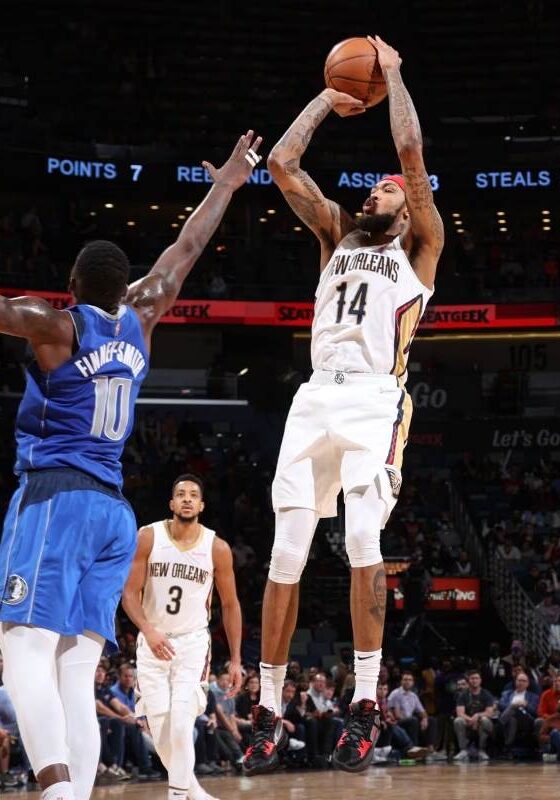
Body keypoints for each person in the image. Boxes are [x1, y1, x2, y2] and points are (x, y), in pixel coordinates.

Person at [0, 130, 262, 800]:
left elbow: (8, 312)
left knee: (22, 646)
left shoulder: (57, 327)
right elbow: (184, 250)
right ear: (125, 289)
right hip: (115, 513)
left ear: (71, 287)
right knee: (74, 668)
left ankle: (57, 792)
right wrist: (228, 183)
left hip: (58, 495)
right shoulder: (141, 318)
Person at [244, 34, 443, 775]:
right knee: (285, 553)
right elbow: (282, 167)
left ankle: (365, 702)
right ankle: (265, 706)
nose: (375, 193)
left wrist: (391, 75)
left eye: (384, 190)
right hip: (313, 399)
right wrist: (326, 101)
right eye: (375, 189)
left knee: (363, 542)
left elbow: (414, 156)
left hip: (371, 400)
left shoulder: (420, 243)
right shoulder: (334, 233)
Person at [122, 473, 242, 800]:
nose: (187, 499)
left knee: (180, 722)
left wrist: (235, 660)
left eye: (193, 495)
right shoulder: (148, 537)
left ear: (201, 505)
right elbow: (129, 593)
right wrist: (148, 630)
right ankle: (195, 792)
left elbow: (230, 605)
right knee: (160, 732)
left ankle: (177, 796)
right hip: (152, 642)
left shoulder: (216, 548)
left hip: (191, 643)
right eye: (180, 494)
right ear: (171, 503)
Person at [453, 670, 495, 761]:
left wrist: (477, 716)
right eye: (472, 678)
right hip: (468, 723)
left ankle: (482, 750)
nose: (474, 680)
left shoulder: (486, 694)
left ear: (480, 680)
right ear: (469, 681)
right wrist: (471, 720)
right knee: (458, 720)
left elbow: (490, 713)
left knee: (485, 720)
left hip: (482, 724)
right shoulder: (463, 695)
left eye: (476, 678)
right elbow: (460, 713)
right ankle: (463, 750)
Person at [497, 671, 539, 752]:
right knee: (512, 719)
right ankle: (508, 746)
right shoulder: (506, 694)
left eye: (524, 681)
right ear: (515, 682)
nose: (521, 683)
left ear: (528, 684)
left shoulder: (533, 696)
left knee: (513, 708)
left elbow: (535, 712)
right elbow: (501, 706)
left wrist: (525, 705)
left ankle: (500, 724)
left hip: (526, 720)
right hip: (510, 718)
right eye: (519, 680)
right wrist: (513, 705)